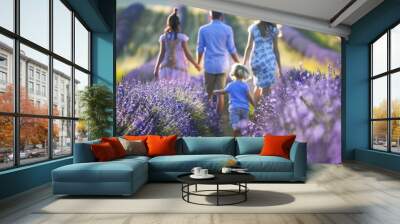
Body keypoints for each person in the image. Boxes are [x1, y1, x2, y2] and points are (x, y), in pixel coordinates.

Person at [197, 11, 240, 114]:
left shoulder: (203, 29)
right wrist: (238, 62)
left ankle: (208, 120)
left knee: (208, 94)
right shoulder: (228, 29)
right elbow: (232, 49)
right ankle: (218, 121)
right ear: (222, 16)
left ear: (210, 15)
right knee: (220, 94)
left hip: (209, 65)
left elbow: (200, 49)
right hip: (222, 65)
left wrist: (198, 62)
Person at [154, 8, 200, 80]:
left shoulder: (164, 38)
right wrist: (196, 65)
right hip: (179, 69)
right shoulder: (182, 38)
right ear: (178, 24)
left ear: (168, 24)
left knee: (165, 90)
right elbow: (187, 54)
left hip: (165, 68)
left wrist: (156, 68)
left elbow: (161, 53)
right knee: (180, 90)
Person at [243, 21, 282, 103]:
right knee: (266, 91)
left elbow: (249, 46)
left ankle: (255, 112)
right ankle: (261, 114)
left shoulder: (253, 28)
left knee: (257, 86)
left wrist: (244, 63)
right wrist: (280, 68)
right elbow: (276, 50)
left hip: (256, 61)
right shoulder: (273, 30)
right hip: (268, 62)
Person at [214, 64, 255, 136]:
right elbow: (249, 97)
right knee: (245, 126)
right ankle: (244, 138)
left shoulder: (231, 85)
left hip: (234, 108)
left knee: (235, 125)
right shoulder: (245, 85)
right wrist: (254, 105)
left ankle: (235, 137)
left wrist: (215, 92)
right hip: (244, 108)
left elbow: (223, 92)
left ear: (234, 73)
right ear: (244, 74)